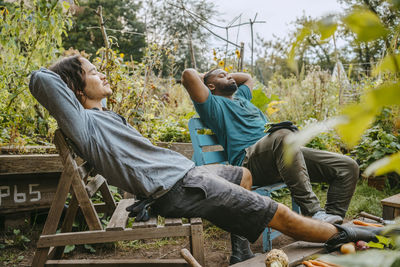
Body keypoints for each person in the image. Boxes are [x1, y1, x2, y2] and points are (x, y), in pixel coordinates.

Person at [30, 56, 380, 265]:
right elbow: (41, 79)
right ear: (75, 90)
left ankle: (241, 256)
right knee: (280, 214)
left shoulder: (100, 118)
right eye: (93, 72)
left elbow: (245, 80)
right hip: (179, 186)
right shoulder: (83, 123)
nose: (102, 74)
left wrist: (86, 79)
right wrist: (70, 70)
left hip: (189, 174)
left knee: (240, 173)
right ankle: (344, 233)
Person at [182, 68, 359, 225]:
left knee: (346, 167)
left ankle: (331, 227)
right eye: (223, 76)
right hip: (250, 162)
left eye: (230, 75)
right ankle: (313, 212)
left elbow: (247, 77)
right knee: (282, 135)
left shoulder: (241, 97)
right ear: (210, 86)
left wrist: (222, 75)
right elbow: (188, 75)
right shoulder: (212, 105)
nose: (230, 77)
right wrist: (208, 75)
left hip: (280, 153)